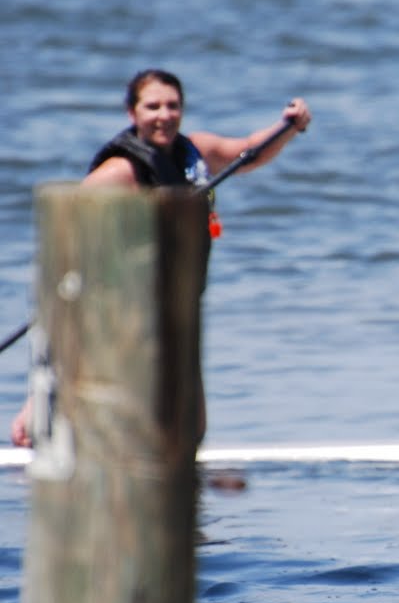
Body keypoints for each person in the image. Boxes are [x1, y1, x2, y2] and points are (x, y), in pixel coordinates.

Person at [9, 69, 311, 448]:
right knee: (140, 431)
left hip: (175, 310)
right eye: (152, 106)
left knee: (192, 428)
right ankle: (44, 413)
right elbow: (61, 254)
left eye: (173, 106)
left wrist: (287, 126)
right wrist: (37, 394)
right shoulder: (119, 173)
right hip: (121, 318)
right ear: (132, 113)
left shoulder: (193, 152)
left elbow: (249, 152)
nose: (164, 115)